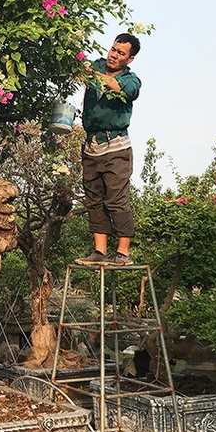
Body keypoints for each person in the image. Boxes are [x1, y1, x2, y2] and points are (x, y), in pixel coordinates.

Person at [75, 33, 141, 266]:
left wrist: (92, 74)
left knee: (116, 200)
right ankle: (100, 252)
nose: (114, 55)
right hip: (91, 146)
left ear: (129, 59)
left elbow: (114, 85)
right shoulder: (97, 64)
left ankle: (123, 254)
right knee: (94, 199)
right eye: (113, 49)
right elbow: (80, 68)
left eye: (121, 53)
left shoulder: (132, 80)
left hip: (117, 148)